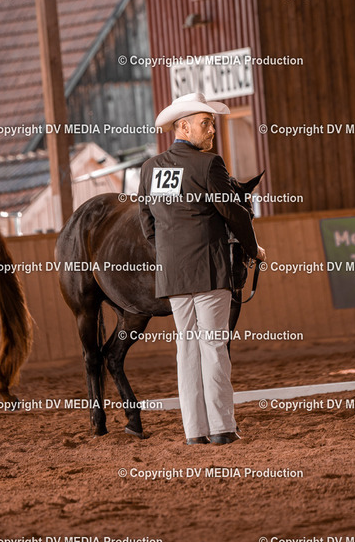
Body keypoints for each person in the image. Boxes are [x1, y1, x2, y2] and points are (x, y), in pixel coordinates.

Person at [138, 93, 266, 445]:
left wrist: (171, 253)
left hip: (173, 274)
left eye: (211, 123)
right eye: (205, 123)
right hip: (208, 270)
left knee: (187, 350)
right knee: (213, 347)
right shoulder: (209, 164)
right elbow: (233, 212)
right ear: (182, 127)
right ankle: (222, 428)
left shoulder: (149, 169)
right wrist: (253, 249)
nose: (212, 130)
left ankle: (195, 432)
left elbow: (147, 223)